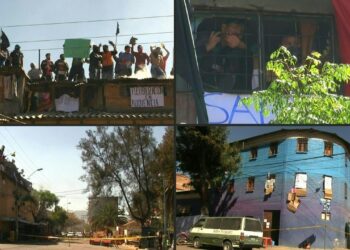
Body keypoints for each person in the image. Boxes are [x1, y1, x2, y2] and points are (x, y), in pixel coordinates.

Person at [196, 19, 252, 92]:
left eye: (239, 33)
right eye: (234, 27)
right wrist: (207, 47)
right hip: (203, 91)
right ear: (223, 28)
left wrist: (240, 45)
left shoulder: (239, 52)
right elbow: (190, 61)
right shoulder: (207, 40)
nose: (237, 32)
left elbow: (253, 56)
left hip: (229, 95)